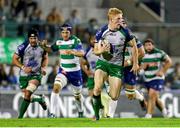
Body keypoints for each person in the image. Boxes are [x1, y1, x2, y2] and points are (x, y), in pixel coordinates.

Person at [92, 8, 139, 120]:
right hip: (103, 63)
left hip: (116, 66)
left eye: (121, 18)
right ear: (111, 19)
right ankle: (97, 114)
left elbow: (134, 47)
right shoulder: (102, 31)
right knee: (97, 88)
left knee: (114, 96)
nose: (121, 20)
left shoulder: (125, 31)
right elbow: (95, 51)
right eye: (118, 18)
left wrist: (135, 63)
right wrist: (102, 51)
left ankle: (109, 88)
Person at [40, 23, 84, 118]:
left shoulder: (75, 40)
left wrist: (73, 52)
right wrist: (43, 46)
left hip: (75, 72)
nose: (65, 34)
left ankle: (81, 111)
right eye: (63, 32)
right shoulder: (59, 41)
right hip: (64, 71)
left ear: (70, 32)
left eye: (67, 32)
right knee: (56, 88)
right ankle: (52, 114)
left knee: (77, 95)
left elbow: (82, 53)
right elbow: (51, 49)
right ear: (61, 33)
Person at [108, 18, 147, 118]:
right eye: (119, 24)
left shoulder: (132, 37)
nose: (120, 26)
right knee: (114, 90)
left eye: (123, 24)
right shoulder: (112, 37)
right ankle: (109, 116)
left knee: (130, 95)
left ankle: (141, 97)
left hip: (130, 67)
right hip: (117, 66)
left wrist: (129, 61)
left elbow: (142, 53)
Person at [12, 28, 48, 118]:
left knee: (28, 93)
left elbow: (46, 58)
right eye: (31, 38)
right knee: (27, 97)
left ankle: (20, 118)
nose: (33, 40)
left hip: (36, 74)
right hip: (24, 75)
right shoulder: (23, 46)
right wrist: (23, 67)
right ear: (28, 38)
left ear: (37, 38)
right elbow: (14, 59)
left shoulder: (42, 46)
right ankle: (40, 99)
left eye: (34, 38)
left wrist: (43, 68)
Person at [141, 38, 172, 118]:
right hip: (147, 78)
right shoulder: (142, 54)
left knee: (151, 95)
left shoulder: (159, 53)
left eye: (150, 45)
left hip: (157, 78)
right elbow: (138, 67)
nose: (148, 47)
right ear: (144, 46)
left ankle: (148, 115)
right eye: (146, 45)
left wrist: (162, 71)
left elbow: (169, 61)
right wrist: (143, 66)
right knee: (155, 98)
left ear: (153, 45)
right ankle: (165, 111)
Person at [80, 35, 110, 118]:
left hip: (100, 76)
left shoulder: (102, 49)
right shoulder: (88, 52)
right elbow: (82, 63)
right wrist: (87, 72)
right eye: (92, 40)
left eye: (95, 40)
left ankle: (97, 114)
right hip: (91, 77)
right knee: (91, 97)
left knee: (96, 94)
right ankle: (99, 108)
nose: (93, 41)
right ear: (89, 41)